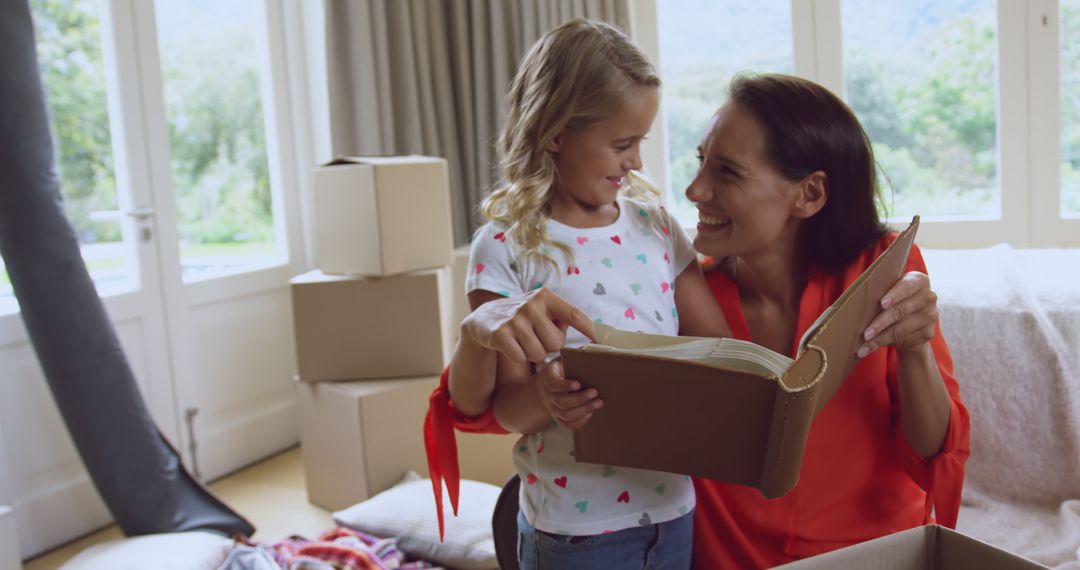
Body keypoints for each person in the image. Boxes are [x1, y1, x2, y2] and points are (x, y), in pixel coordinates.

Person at [428, 72, 971, 569]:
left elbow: (934, 448)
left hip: (872, 555)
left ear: (809, 194)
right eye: (700, 161)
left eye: (726, 173)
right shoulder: (677, 297)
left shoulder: (876, 270)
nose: (693, 191)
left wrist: (916, 345)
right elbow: (498, 404)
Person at [441, 18, 733, 570]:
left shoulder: (658, 228)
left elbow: (716, 349)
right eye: (622, 143)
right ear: (555, 133)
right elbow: (504, 410)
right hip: (573, 529)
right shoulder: (505, 245)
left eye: (640, 142)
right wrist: (547, 400)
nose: (637, 161)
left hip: (672, 510)